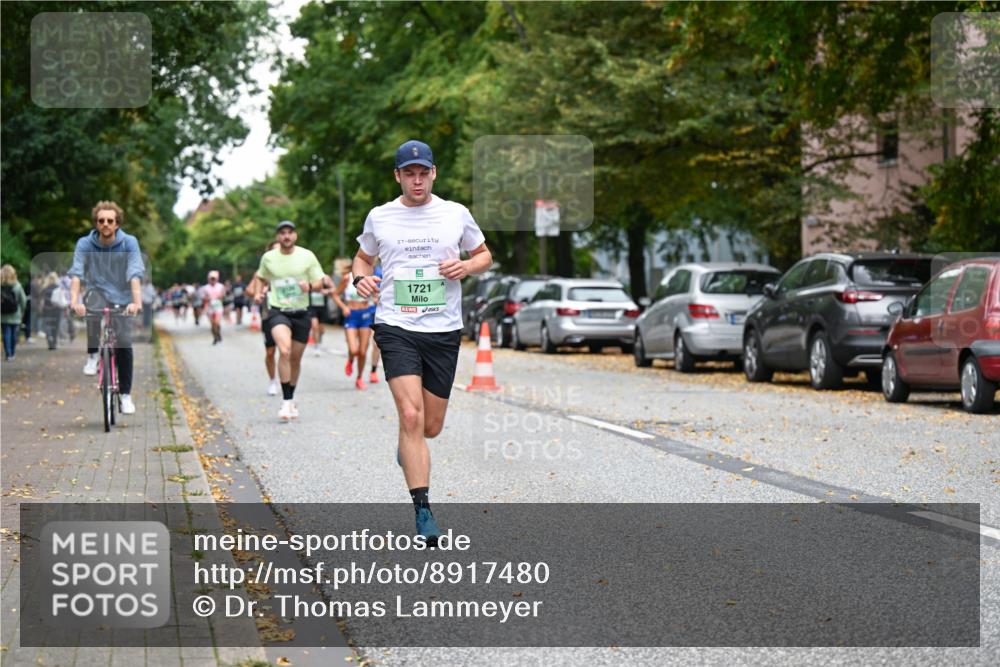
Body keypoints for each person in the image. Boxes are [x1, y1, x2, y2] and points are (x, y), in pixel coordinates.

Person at [352, 140, 492, 544]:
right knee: (410, 417)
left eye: (423, 172)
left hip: (443, 330)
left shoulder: (455, 214)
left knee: (430, 426)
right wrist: (360, 278)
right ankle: (424, 511)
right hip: (395, 325)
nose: (417, 179)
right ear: (398, 176)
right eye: (409, 173)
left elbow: (484, 255)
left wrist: (466, 265)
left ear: (434, 173)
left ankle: (408, 449)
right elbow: (362, 259)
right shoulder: (380, 217)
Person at [68, 200, 145, 415]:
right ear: (96, 223)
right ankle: (93, 355)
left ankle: (126, 395)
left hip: (122, 294)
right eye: (101, 221)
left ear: (117, 223)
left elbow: (134, 272)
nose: (105, 224)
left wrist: (136, 302)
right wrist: (75, 301)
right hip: (97, 290)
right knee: (91, 306)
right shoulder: (85, 243)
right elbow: (76, 273)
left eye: (110, 221)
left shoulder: (129, 242)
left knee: (124, 343)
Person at [255, 221, 332, 420]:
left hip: (302, 312)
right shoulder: (269, 258)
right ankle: (286, 402)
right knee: (285, 350)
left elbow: (319, 280)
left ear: (295, 236)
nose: (286, 236)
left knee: (296, 358)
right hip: (278, 311)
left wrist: (310, 286)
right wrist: (258, 293)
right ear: (278, 237)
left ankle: (291, 396)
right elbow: (260, 277)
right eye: (282, 233)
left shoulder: (307, 256)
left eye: (290, 233)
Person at [332, 258, 376, 390]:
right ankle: (351, 359)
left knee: (362, 352)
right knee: (353, 350)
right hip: (351, 315)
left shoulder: (370, 278)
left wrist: (375, 298)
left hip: (365, 315)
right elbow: (335, 294)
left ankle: (359, 378)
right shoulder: (347, 278)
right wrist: (343, 307)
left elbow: (375, 295)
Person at [246, 239, 281, 396]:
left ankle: (287, 381)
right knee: (270, 352)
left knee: (286, 350)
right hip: (268, 313)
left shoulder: (292, 270)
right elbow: (249, 291)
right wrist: (259, 293)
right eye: (274, 251)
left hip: (289, 312)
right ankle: (273, 380)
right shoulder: (262, 273)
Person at [1, 265, 28, 361]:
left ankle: (8, 354)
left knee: (6, 334)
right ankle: (12, 353)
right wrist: (22, 311)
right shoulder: (17, 285)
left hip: (3, 315)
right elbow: (23, 300)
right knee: (14, 334)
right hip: (15, 314)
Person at [199, 270, 227, 345]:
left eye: (214, 278)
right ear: (208, 279)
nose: (212, 280)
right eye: (211, 278)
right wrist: (207, 298)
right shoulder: (205, 288)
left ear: (217, 279)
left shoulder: (220, 286)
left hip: (218, 306)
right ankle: (215, 337)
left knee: (217, 322)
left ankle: (218, 333)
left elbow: (224, 295)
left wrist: (219, 296)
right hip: (209, 307)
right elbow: (202, 298)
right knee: (212, 324)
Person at [40, 272, 65, 350]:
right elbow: (62, 299)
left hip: (47, 310)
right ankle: (54, 343)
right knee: (56, 327)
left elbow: (41, 301)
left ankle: (50, 341)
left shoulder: (45, 288)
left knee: (48, 326)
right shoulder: (58, 287)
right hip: (57, 310)